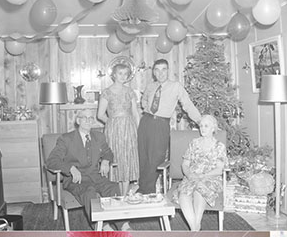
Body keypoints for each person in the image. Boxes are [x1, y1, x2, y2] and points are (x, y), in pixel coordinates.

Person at [46, 108, 119, 228]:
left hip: (96, 176)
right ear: (78, 121)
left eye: (91, 118)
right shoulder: (66, 139)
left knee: (113, 188)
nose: (88, 120)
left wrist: (106, 160)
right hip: (77, 180)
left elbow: (108, 152)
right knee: (89, 192)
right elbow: (51, 161)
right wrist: (70, 168)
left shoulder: (99, 137)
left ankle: (123, 226)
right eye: (85, 117)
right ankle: (103, 228)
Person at [137, 59, 202, 194]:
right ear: (154, 72)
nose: (160, 73)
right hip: (145, 122)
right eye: (157, 70)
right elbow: (143, 101)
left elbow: (188, 105)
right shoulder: (150, 86)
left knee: (156, 158)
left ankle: (147, 192)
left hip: (161, 124)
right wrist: (145, 107)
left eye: (164, 69)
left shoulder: (176, 86)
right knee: (143, 157)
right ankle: (142, 188)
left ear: (168, 71)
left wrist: (201, 121)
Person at [171, 115, 227, 231]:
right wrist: (189, 175)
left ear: (213, 128)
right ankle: (195, 228)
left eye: (206, 126)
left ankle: (195, 228)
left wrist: (203, 176)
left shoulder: (219, 147)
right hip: (192, 176)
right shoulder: (194, 143)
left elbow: (219, 169)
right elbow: (185, 164)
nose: (202, 128)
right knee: (184, 194)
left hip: (210, 178)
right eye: (201, 126)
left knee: (199, 191)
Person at [97, 62, 140, 197]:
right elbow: (100, 114)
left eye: (125, 74)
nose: (123, 76)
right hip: (113, 130)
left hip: (129, 129)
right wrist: (111, 123)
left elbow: (135, 113)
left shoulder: (130, 92)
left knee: (127, 159)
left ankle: (125, 197)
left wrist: (138, 130)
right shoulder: (107, 92)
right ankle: (117, 196)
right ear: (114, 75)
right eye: (120, 73)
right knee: (116, 159)